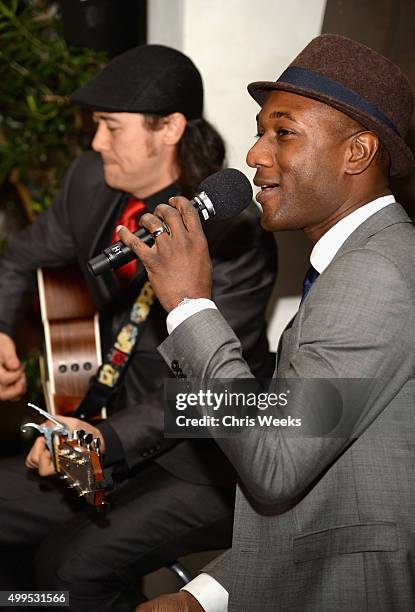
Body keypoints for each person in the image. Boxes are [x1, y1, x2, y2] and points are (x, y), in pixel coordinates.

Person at [117, 35, 415, 611]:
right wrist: (205, 594)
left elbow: (274, 465)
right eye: (259, 131)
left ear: (356, 153)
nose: (254, 155)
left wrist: (190, 305)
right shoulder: (360, 264)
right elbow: (317, 486)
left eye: (283, 133)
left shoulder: (374, 275)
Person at [0, 45, 277, 611]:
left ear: (170, 128)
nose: (95, 142)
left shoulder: (236, 237)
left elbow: (210, 391)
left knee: (65, 570)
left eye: (109, 126)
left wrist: (108, 437)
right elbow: (21, 257)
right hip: (98, 427)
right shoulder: (89, 182)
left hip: (197, 461)